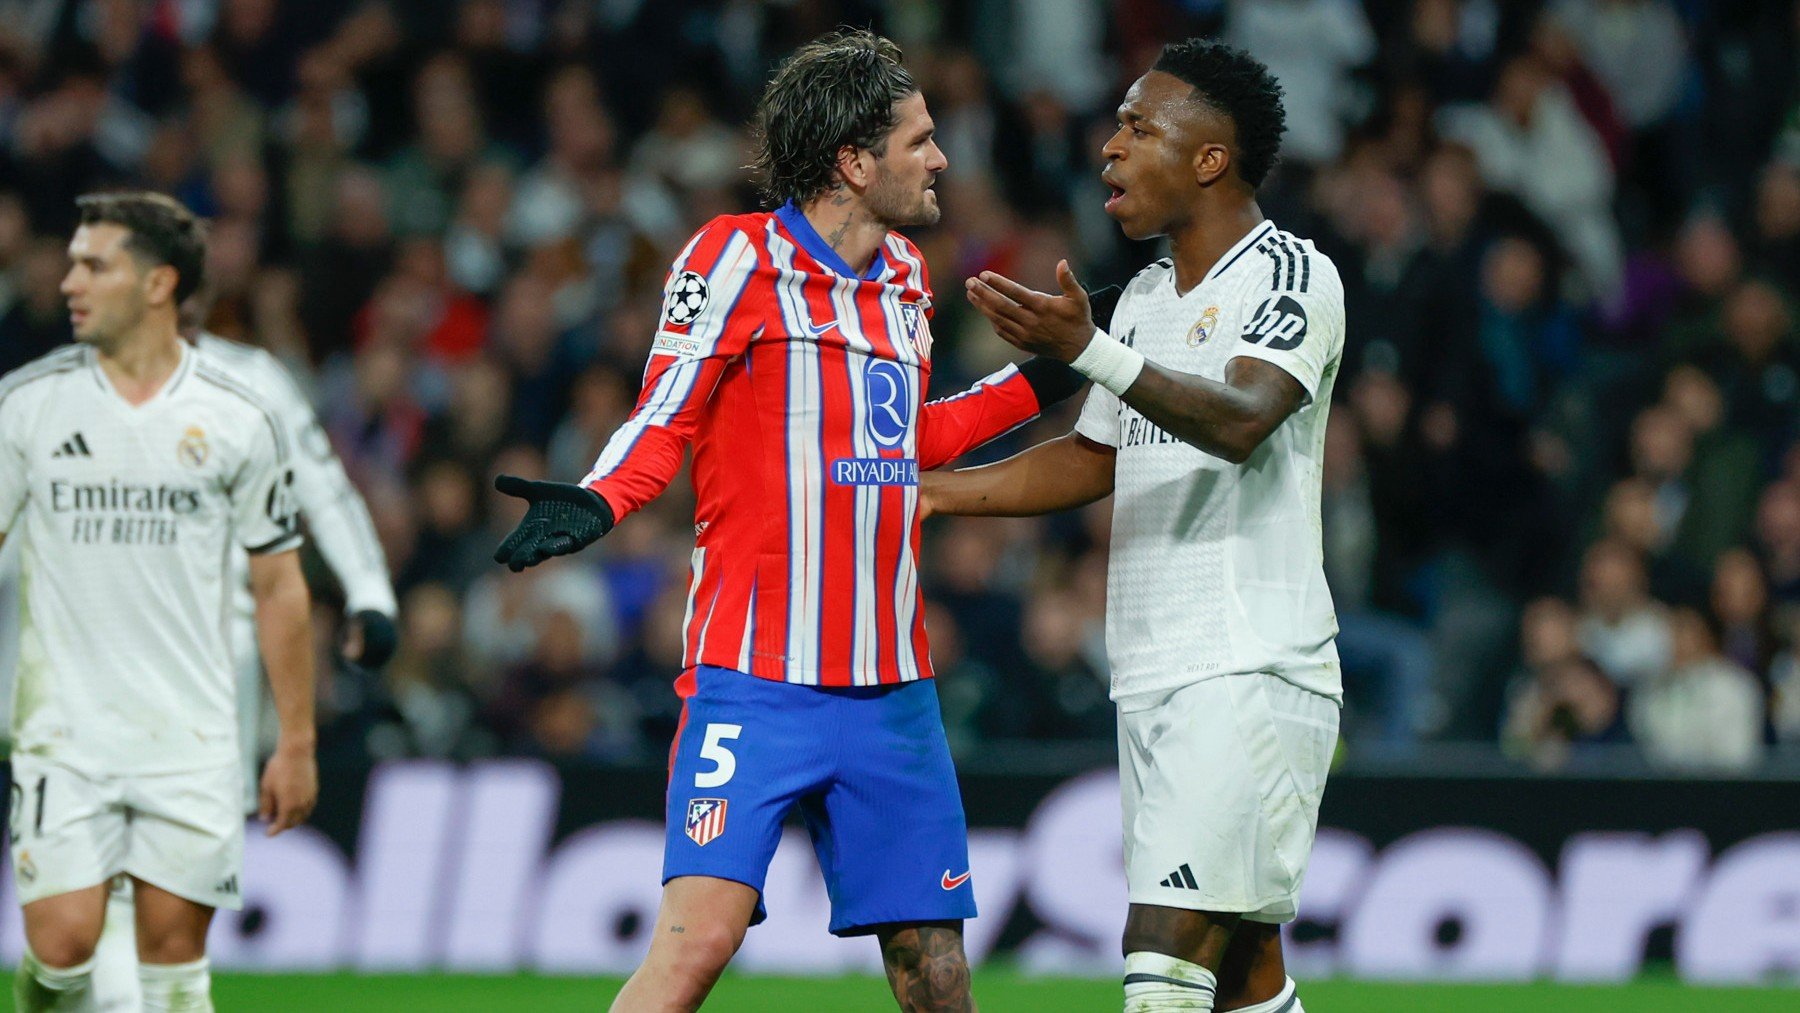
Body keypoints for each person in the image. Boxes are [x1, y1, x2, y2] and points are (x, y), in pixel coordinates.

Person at [488, 30, 1081, 1013]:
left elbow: (907, 439)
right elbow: (666, 408)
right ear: (855, 160)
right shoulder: (734, 256)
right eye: (920, 140)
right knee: (698, 943)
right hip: (754, 682)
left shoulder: (903, 281)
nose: (941, 159)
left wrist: (1056, 368)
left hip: (893, 689)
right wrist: (602, 495)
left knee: (936, 972)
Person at [927, 39, 1343, 1013]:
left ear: (1211, 158)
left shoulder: (1291, 275)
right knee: (1244, 972)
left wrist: (1092, 351)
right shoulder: (1150, 299)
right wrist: (937, 493)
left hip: (1247, 662)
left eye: (1138, 127)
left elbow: (1241, 418)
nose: (1108, 148)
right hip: (1154, 668)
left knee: (1162, 962)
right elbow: (1094, 456)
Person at [1, 192, 317, 1011]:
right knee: (63, 946)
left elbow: (279, 582)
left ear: (157, 284)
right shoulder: (28, 407)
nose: (69, 280)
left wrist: (296, 740)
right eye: (72, 261)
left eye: (92, 264)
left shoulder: (239, 416)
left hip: (193, 733)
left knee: (174, 957)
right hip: (64, 731)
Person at [81, 328, 399, 1011]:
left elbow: (324, 487)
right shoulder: (66, 386)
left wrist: (370, 591)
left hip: (213, 653)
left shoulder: (252, 378)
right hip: (100, 648)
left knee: (177, 892)